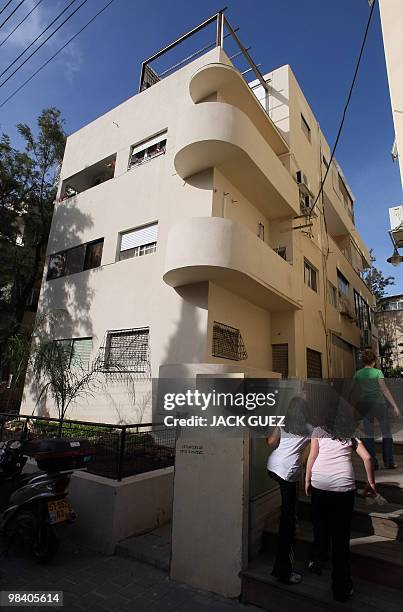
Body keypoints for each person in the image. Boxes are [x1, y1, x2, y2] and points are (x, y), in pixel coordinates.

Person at [305, 429, 376, 603]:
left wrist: (307, 479)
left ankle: (317, 560)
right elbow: (367, 457)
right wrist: (371, 483)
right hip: (342, 488)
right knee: (340, 540)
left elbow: (313, 455)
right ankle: (341, 588)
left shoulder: (318, 429)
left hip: (319, 484)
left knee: (320, 528)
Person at [266, 395, 312, 585]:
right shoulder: (309, 429)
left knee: (289, 508)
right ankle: (283, 571)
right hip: (287, 473)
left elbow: (270, 443)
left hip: (272, 467)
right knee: (287, 522)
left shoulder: (282, 421)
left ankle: (292, 519)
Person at [353, 349, 400, 470]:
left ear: (363, 361)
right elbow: (384, 390)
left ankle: (373, 463)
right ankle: (389, 462)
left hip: (366, 405)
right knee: (387, 433)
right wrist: (394, 405)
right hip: (379, 405)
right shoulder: (378, 372)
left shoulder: (358, 374)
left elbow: (353, 391)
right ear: (373, 361)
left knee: (368, 435)